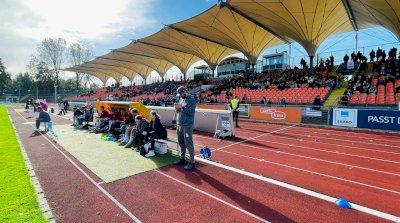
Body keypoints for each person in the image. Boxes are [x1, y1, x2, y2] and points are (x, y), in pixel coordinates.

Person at [173, 86, 196, 171]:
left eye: (181, 94)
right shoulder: (181, 99)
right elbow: (179, 111)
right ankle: (182, 158)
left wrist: (181, 107)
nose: (180, 95)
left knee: (189, 144)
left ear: (185, 91)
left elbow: (191, 112)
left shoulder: (191, 100)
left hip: (187, 125)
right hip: (180, 125)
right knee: (181, 143)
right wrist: (177, 108)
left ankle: (192, 162)